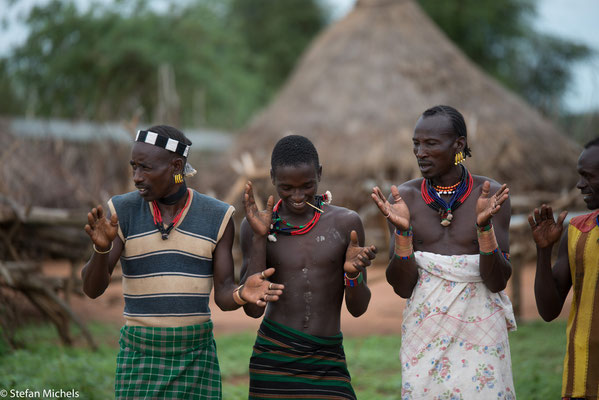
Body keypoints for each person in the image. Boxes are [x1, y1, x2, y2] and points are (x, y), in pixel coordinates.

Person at [81, 125, 284, 400]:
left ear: (176, 165)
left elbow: (224, 294)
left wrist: (240, 293)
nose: (137, 178)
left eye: (146, 168)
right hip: (140, 355)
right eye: (134, 168)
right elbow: (92, 289)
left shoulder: (217, 217)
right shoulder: (123, 211)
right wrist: (101, 249)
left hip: (195, 358)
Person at [371, 105, 517, 399]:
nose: (420, 152)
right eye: (416, 144)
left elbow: (498, 281)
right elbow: (402, 287)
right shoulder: (405, 198)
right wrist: (403, 233)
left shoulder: (490, 195)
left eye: (431, 144)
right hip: (424, 338)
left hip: (483, 339)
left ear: (458, 145)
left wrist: (484, 229)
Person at [239, 134, 377, 399]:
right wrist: (259, 237)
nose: (298, 195)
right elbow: (252, 311)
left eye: (307, 185)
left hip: (328, 359)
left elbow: (358, 309)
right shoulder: (256, 226)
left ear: (320, 174)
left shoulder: (345, 223)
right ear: (272, 178)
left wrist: (353, 275)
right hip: (274, 356)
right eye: (286, 188)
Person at [528, 137, 599, 400]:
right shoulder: (578, 231)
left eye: (587, 176)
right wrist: (544, 250)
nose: (580, 184)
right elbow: (548, 310)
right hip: (581, 378)